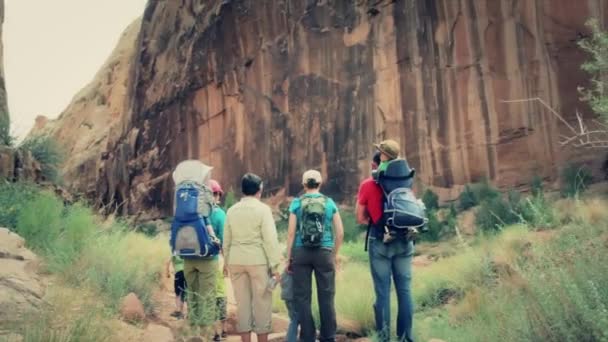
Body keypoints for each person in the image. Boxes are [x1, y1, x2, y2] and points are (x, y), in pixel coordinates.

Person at [356, 140, 415, 342]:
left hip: (380, 240)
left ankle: (383, 338)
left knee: (382, 292)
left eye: (380, 152)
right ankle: (406, 337)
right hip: (405, 240)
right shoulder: (406, 181)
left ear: (383, 156)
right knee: (405, 291)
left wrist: (375, 221)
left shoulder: (368, 184)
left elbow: (360, 217)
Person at [285, 170, 345, 342]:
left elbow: (290, 234)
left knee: (302, 298)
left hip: (301, 253)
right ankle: (328, 337)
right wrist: (334, 255)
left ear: (304, 185)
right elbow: (340, 233)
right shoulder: (329, 203)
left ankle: (308, 337)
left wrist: (289, 258)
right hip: (324, 252)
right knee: (326, 296)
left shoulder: (297, 203)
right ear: (320, 184)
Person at [223, 173, 282, 342]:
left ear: (243, 190)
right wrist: (275, 266)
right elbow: (270, 239)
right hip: (258, 261)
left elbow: (226, 240)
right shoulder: (263, 210)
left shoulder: (231, 210)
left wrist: (226, 262)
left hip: (236, 260)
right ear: (260, 190)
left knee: (242, 304)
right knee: (262, 303)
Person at [209, 179, 228, 341]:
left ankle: (213, 331)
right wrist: (227, 262)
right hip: (216, 258)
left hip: (198, 260)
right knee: (220, 294)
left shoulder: (197, 213)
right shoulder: (220, 214)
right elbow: (225, 241)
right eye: (217, 194)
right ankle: (222, 330)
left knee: (206, 294)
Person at [280, 268, 299, 342]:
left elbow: (281, 283)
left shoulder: (285, 270)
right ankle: (290, 339)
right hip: (294, 298)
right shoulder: (296, 271)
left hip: (287, 298)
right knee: (295, 320)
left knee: (293, 319)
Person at [166, 255, 186, 319]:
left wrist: (167, 272)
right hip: (187, 273)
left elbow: (168, 262)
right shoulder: (186, 251)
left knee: (178, 293)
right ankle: (182, 312)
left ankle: (178, 311)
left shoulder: (174, 252)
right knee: (183, 292)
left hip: (179, 274)